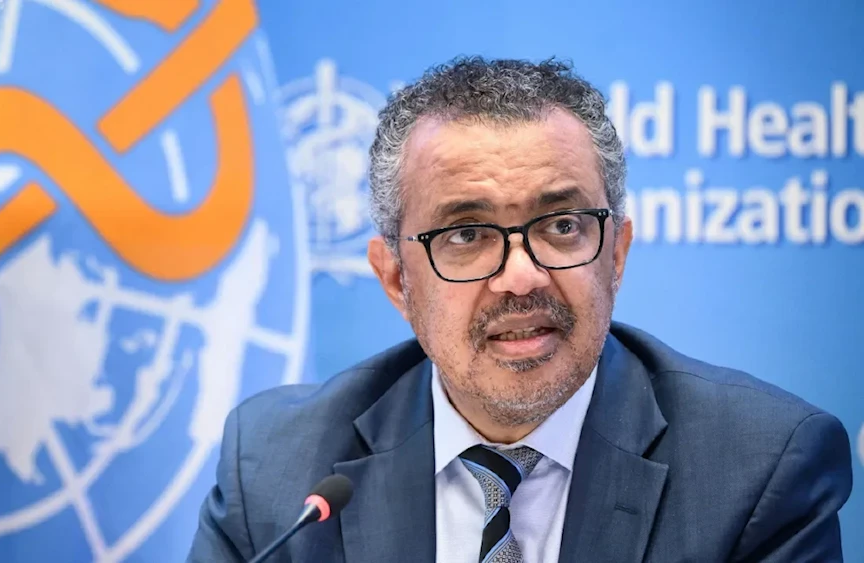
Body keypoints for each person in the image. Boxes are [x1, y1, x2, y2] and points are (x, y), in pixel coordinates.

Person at [187, 57, 854, 562]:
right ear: (395, 278)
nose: (522, 276)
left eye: (563, 225)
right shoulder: (275, 471)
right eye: (467, 234)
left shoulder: (759, 470)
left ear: (616, 253)